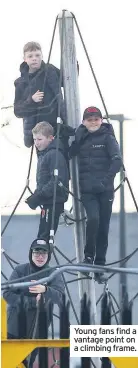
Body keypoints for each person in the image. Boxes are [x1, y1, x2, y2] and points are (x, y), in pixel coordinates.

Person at [69, 106, 122, 283]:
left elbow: (117, 161)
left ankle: (99, 265)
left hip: (104, 190)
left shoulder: (108, 138)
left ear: (101, 120)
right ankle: (88, 258)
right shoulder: (80, 137)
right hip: (87, 190)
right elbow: (69, 154)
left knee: (103, 227)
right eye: (89, 119)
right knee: (93, 219)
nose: (93, 122)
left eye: (96, 119)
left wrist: (106, 181)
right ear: (84, 122)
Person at [3, 238, 65, 367]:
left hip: (37, 331)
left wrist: (46, 290)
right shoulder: (20, 270)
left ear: (48, 256)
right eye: (37, 253)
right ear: (31, 254)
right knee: (10, 363)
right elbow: (7, 294)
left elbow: (60, 297)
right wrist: (32, 302)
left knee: (28, 363)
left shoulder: (54, 273)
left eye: (44, 253)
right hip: (14, 329)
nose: (40, 257)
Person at [14, 41, 75, 152]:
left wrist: (72, 62)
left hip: (57, 126)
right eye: (30, 56)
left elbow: (67, 81)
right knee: (45, 163)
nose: (34, 58)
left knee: (61, 157)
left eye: (37, 55)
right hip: (39, 133)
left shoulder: (50, 70)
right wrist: (31, 100)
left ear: (42, 56)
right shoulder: (21, 83)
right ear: (24, 59)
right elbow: (17, 111)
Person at [25, 121, 69, 242]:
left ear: (50, 138)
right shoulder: (44, 155)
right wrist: (36, 195)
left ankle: (42, 258)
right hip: (47, 201)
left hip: (53, 201)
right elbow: (44, 180)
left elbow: (57, 181)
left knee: (45, 237)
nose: (36, 143)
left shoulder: (54, 154)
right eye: (34, 139)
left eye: (39, 139)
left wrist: (38, 196)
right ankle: (42, 258)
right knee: (43, 235)